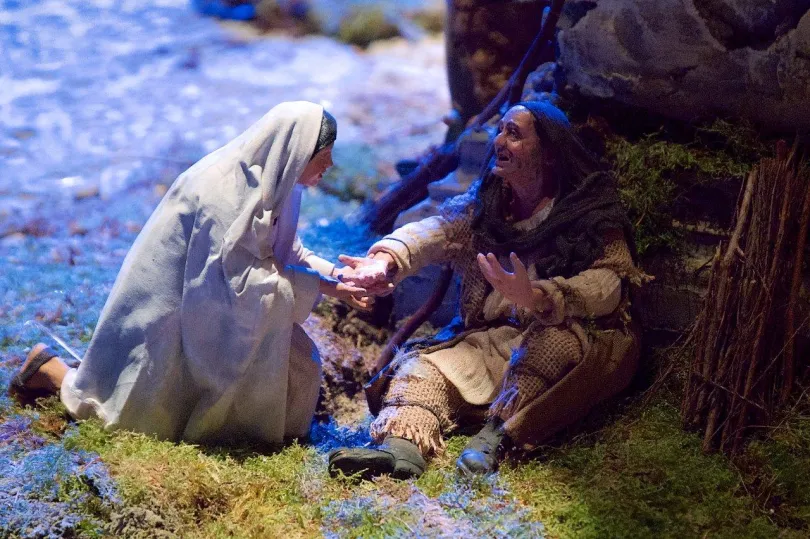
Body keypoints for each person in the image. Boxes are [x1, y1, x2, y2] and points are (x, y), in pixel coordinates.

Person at [10, 101, 370, 445]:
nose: (329, 165)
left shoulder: (277, 183)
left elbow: (285, 250)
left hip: (213, 301)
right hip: (174, 313)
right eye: (324, 156)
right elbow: (237, 283)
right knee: (135, 420)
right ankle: (50, 370)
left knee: (299, 364)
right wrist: (324, 286)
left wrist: (340, 277)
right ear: (296, 152)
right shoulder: (222, 193)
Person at [330, 101, 650, 479]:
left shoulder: (588, 214)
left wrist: (540, 296)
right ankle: (401, 448)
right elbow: (436, 232)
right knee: (423, 368)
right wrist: (386, 260)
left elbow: (609, 281)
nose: (499, 141)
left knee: (550, 348)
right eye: (500, 130)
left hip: (566, 333)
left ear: (549, 152)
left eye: (514, 134)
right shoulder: (489, 207)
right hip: (493, 338)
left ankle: (497, 438)